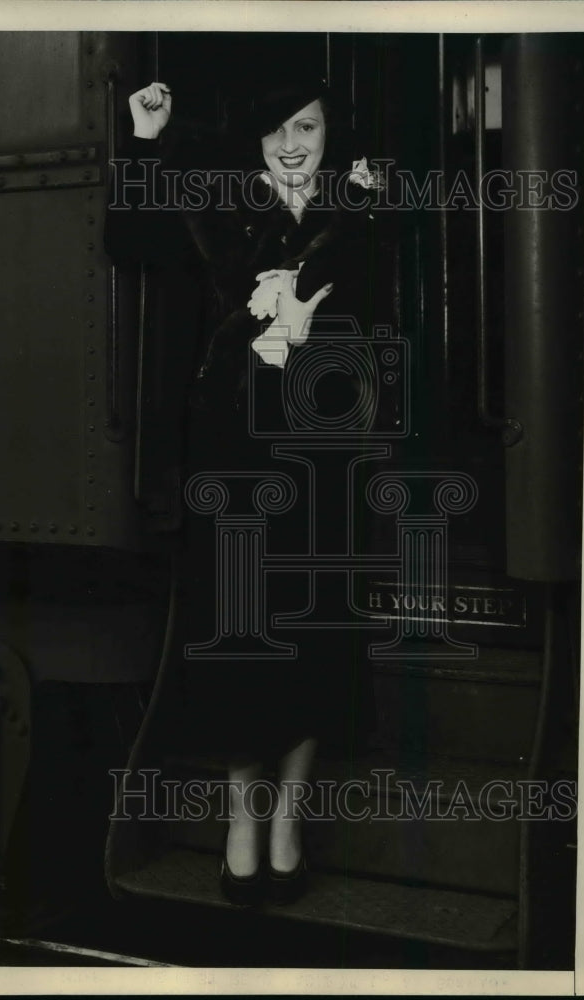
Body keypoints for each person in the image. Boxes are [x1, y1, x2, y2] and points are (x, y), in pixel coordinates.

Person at [105, 75, 392, 905]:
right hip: (233, 458)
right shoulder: (221, 209)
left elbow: (389, 327)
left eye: (305, 126)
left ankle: (288, 824)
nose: (291, 143)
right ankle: (241, 821)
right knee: (243, 634)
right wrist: (147, 139)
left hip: (323, 455)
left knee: (312, 635)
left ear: (329, 135)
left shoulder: (359, 215)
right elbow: (127, 239)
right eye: (275, 130)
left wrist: (312, 335)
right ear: (256, 142)